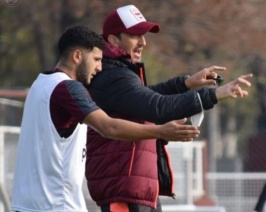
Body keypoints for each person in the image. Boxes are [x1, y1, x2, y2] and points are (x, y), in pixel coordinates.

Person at [10, 25, 200, 212]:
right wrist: (161, 131)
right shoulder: (68, 88)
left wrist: (184, 84)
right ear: (77, 56)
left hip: (24, 205)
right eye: (96, 59)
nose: (99, 67)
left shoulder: (40, 84)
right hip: (56, 205)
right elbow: (109, 127)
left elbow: (139, 97)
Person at [85, 4, 253, 212]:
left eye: (144, 35)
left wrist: (185, 83)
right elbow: (157, 107)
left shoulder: (118, 71)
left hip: (133, 187)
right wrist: (214, 95)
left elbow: (147, 97)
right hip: (123, 188)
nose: (143, 42)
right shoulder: (113, 75)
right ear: (113, 40)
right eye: (135, 35)